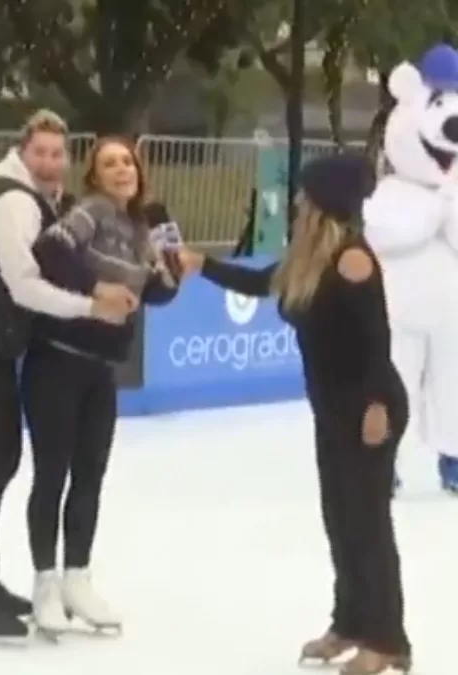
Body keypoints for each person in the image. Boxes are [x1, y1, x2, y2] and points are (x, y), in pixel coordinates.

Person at [177, 153, 411, 675]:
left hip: (368, 409)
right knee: (340, 520)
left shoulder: (352, 258)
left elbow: (377, 341)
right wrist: (203, 265)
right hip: (331, 410)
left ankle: (387, 638)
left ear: (325, 200)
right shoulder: (309, 256)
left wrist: (375, 407)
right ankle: (349, 621)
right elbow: (262, 285)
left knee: (367, 525)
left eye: (307, 193)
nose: (300, 199)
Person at [0, 110, 135, 640]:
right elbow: (23, 285)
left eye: (56, 153)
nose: (48, 161)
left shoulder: (43, 201)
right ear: (23, 153)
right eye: (39, 152)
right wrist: (92, 305)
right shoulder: (12, 200)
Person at [24, 137, 180, 637]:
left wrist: (171, 266)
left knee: (89, 475)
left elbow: (154, 294)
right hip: (57, 362)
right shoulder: (89, 212)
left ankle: (78, 578)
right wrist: (96, 290)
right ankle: (45, 584)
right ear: (94, 177)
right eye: (109, 163)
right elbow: (50, 250)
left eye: (127, 162)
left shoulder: (142, 227)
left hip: (100, 372)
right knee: (52, 476)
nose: (121, 169)